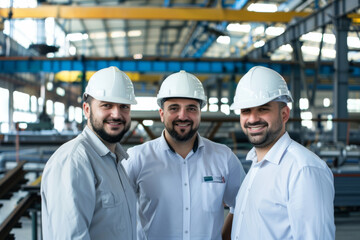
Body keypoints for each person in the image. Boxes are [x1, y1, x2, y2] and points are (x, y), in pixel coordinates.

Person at [122, 70, 246, 240]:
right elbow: (115, 211)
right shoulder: (137, 159)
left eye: (191, 108)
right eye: (174, 108)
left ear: (199, 113)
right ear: (161, 113)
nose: (183, 115)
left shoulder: (223, 157)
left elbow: (243, 205)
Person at [229, 66, 335, 240]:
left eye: (263, 109)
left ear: (284, 114)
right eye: (246, 111)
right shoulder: (255, 166)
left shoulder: (303, 170)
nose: (253, 119)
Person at [41, 66, 138, 240]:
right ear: (87, 109)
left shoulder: (116, 161)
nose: (116, 114)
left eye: (124, 106)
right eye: (106, 105)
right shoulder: (75, 161)